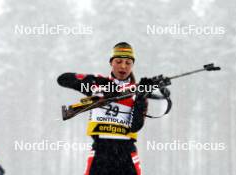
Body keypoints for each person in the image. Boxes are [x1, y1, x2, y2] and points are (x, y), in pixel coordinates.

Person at [57, 42, 168, 175]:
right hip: (100, 153)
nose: (123, 66)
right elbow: (63, 79)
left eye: (128, 63)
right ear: (111, 62)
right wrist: (100, 86)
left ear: (132, 65)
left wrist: (140, 98)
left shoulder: (138, 91)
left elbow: (135, 126)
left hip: (126, 155)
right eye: (118, 61)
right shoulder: (98, 82)